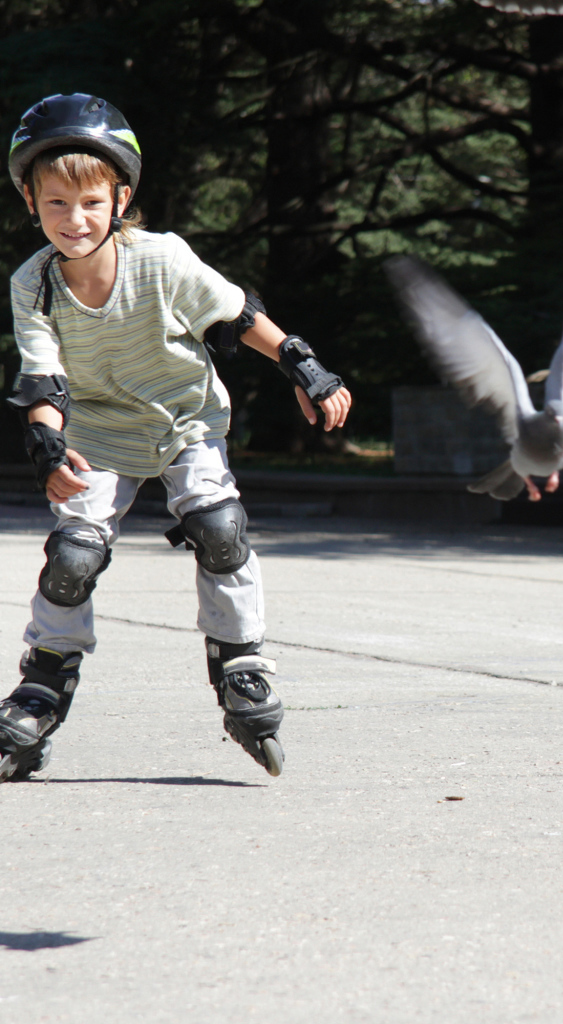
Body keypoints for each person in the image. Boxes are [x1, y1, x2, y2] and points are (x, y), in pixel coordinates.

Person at [0, 93, 351, 782]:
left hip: (185, 420)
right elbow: (43, 379)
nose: (74, 219)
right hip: (98, 432)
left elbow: (237, 315)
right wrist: (47, 445)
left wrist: (303, 367)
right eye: (56, 204)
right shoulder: (33, 284)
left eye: (91, 202)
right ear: (31, 203)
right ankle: (41, 688)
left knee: (219, 527)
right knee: (72, 556)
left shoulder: (161, 260)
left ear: (120, 199)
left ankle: (241, 663)